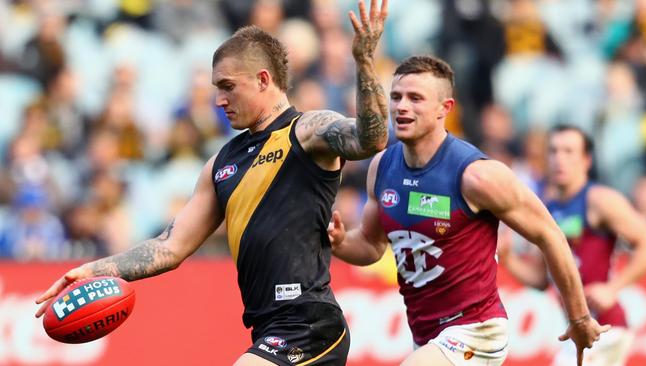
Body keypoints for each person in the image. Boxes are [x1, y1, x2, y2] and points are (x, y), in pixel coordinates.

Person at [34, 1, 390, 365]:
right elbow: (170, 248)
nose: (219, 100)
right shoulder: (221, 164)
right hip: (268, 328)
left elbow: (372, 139)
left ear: (264, 80)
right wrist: (92, 269)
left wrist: (363, 63)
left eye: (227, 87)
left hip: (309, 324)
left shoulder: (307, 131)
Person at [327, 56, 609, 366]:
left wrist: (579, 317)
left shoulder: (476, 175)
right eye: (396, 97)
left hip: (476, 330)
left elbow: (549, 234)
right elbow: (370, 244)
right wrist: (340, 242)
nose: (401, 107)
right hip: (424, 334)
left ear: (444, 109)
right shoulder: (382, 167)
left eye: (415, 98)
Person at [499, 125, 646, 366]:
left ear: (586, 160)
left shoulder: (599, 200)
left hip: (607, 328)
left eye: (569, 151)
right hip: (579, 332)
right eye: (554, 151)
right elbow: (541, 278)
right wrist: (509, 261)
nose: (559, 159)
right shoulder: (546, 207)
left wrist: (613, 288)